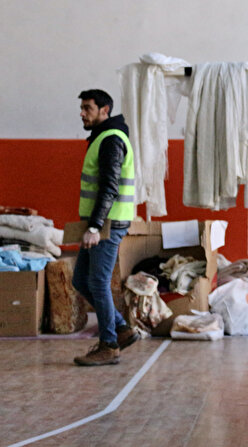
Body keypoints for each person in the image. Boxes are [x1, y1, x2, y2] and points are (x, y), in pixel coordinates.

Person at [72, 89, 139, 366]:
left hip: (108, 224)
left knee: (97, 282)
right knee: (80, 281)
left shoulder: (111, 139)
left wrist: (96, 226)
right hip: (101, 223)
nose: (82, 113)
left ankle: (109, 345)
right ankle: (121, 329)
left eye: (88, 108)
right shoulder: (103, 137)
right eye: (82, 108)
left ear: (104, 110)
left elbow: (109, 187)